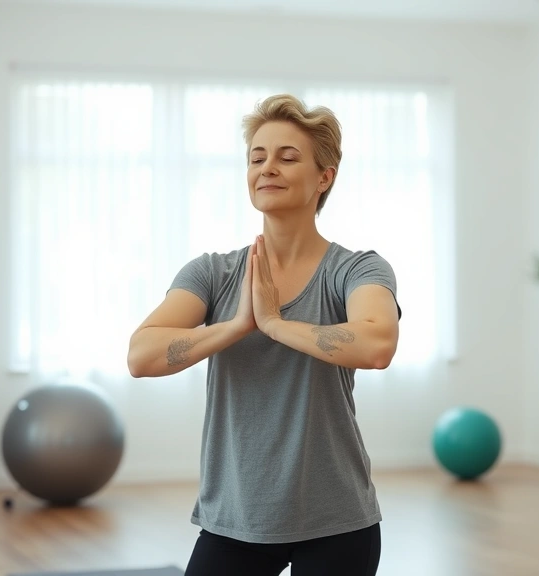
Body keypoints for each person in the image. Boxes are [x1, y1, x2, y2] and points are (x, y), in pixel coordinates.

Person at [127, 93, 402, 576]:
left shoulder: (357, 270)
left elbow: (378, 344)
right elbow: (141, 355)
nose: (267, 168)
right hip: (236, 521)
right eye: (257, 158)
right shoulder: (213, 273)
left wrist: (277, 324)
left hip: (338, 522)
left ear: (325, 176)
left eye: (287, 156)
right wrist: (236, 326)